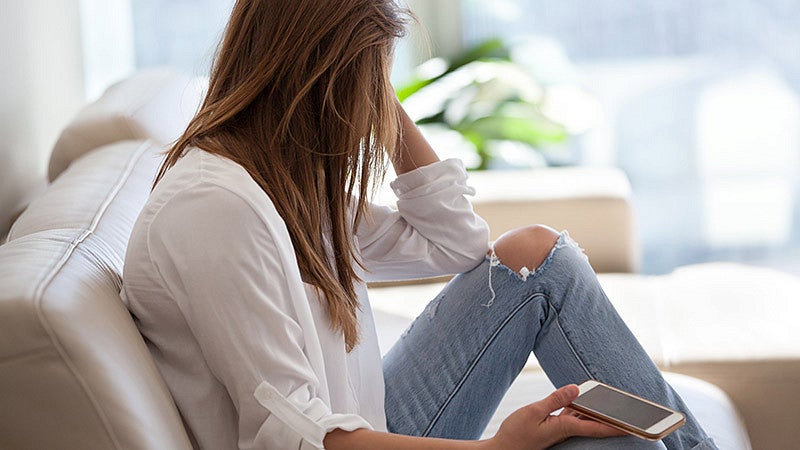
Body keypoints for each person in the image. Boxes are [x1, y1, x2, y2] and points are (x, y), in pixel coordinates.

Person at [121, 0, 718, 449]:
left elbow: (456, 243)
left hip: (369, 422)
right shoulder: (216, 210)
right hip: (343, 440)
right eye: (367, 90)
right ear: (319, 85)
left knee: (535, 257)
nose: (371, 117)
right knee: (604, 439)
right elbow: (298, 436)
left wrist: (375, 88)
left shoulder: (283, 181)